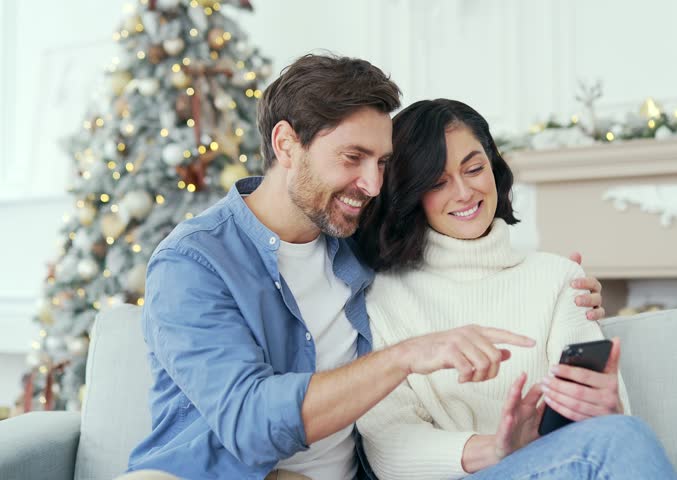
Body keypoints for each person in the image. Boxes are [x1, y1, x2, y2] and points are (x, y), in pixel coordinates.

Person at [122, 54, 606, 480]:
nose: (372, 184)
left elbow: (459, 246)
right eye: (353, 158)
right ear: (286, 144)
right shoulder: (195, 263)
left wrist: (562, 285)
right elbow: (250, 425)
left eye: (382, 163)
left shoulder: (355, 231)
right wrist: (406, 356)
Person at [355, 99, 677, 479]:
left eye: (474, 168)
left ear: (493, 167)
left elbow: (605, 437)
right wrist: (497, 448)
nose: (463, 192)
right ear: (410, 194)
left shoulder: (558, 278)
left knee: (623, 433)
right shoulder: (381, 300)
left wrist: (607, 410)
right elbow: (389, 449)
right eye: (437, 182)